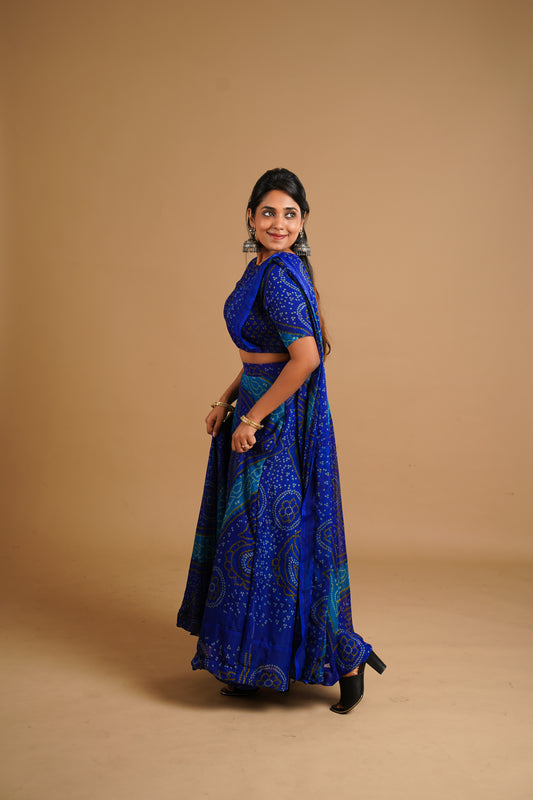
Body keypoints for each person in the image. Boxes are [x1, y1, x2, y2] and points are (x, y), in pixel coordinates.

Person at [177, 168, 385, 713]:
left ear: (303, 221)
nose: (278, 223)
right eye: (268, 212)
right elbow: (260, 355)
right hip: (257, 402)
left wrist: (251, 419)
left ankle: (346, 659)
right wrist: (227, 399)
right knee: (258, 543)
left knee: (268, 542)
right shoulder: (262, 269)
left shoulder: (278, 276)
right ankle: (252, 665)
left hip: (274, 422)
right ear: (250, 217)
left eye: (290, 214)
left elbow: (305, 359)